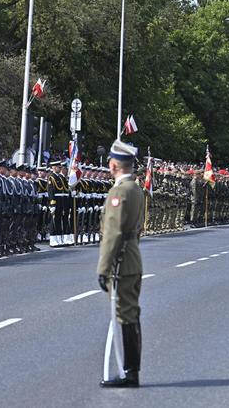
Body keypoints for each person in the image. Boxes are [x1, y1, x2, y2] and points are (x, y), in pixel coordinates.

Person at [97, 140, 145, 388]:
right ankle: (132, 369)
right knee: (132, 314)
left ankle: (130, 372)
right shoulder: (136, 189)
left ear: (114, 164)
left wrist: (103, 268)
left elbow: (113, 232)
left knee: (125, 315)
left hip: (122, 261)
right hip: (133, 256)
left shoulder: (120, 192)